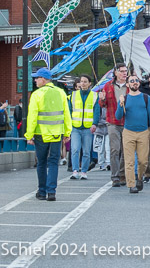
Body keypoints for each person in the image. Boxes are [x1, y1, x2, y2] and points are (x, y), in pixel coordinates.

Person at [25, 68, 72, 201]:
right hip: (57, 133)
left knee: (41, 163)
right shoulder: (61, 93)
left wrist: (29, 135)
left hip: (41, 133)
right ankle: (52, 192)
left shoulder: (37, 94)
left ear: (44, 79)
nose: (35, 80)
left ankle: (42, 191)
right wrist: (67, 131)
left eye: (37, 78)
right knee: (53, 162)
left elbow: (32, 116)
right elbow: (66, 113)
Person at [115, 74, 150, 194]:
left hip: (144, 132)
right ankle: (131, 184)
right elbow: (118, 116)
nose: (134, 82)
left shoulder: (146, 98)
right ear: (128, 85)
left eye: (136, 81)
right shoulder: (125, 98)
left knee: (143, 161)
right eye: (132, 81)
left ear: (139, 83)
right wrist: (120, 104)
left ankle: (139, 178)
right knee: (129, 161)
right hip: (128, 132)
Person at [99, 63, 128, 187]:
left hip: (127, 122)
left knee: (124, 150)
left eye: (125, 71)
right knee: (115, 149)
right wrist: (102, 99)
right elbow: (103, 104)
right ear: (116, 72)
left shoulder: (130, 85)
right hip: (112, 122)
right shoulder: (108, 86)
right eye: (121, 71)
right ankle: (115, 176)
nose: (124, 73)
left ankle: (122, 175)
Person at [68, 74, 100, 181]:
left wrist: (95, 123)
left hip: (88, 127)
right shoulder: (73, 95)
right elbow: (69, 110)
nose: (83, 83)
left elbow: (96, 111)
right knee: (75, 149)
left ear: (90, 84)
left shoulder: (94, 95)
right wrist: (69, 125)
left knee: (86, 151)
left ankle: (84, 171)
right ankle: (75, 170)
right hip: (75, 127)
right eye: (81, 81)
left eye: (85, 81)